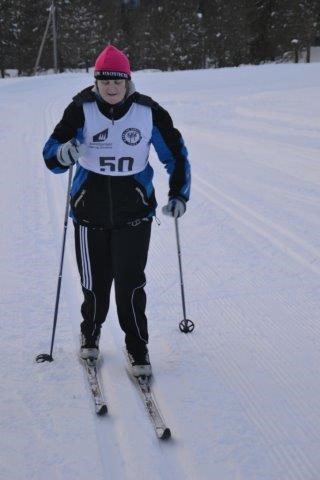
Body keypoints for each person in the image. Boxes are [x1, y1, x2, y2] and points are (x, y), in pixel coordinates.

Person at [43, 45, 191, 377]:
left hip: (134, 214)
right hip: (88, 213)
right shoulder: (80, 110)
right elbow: (51, 151)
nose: (111, 88)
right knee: (94, 284)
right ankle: (90, 332)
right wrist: (64, 153)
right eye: (104, 81)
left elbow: (176, 154)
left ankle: (137, 346)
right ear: (96, 82)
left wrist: (180, 193)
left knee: (131, 284)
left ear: (128, 82)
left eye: (117, 81)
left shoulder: (148, 112)